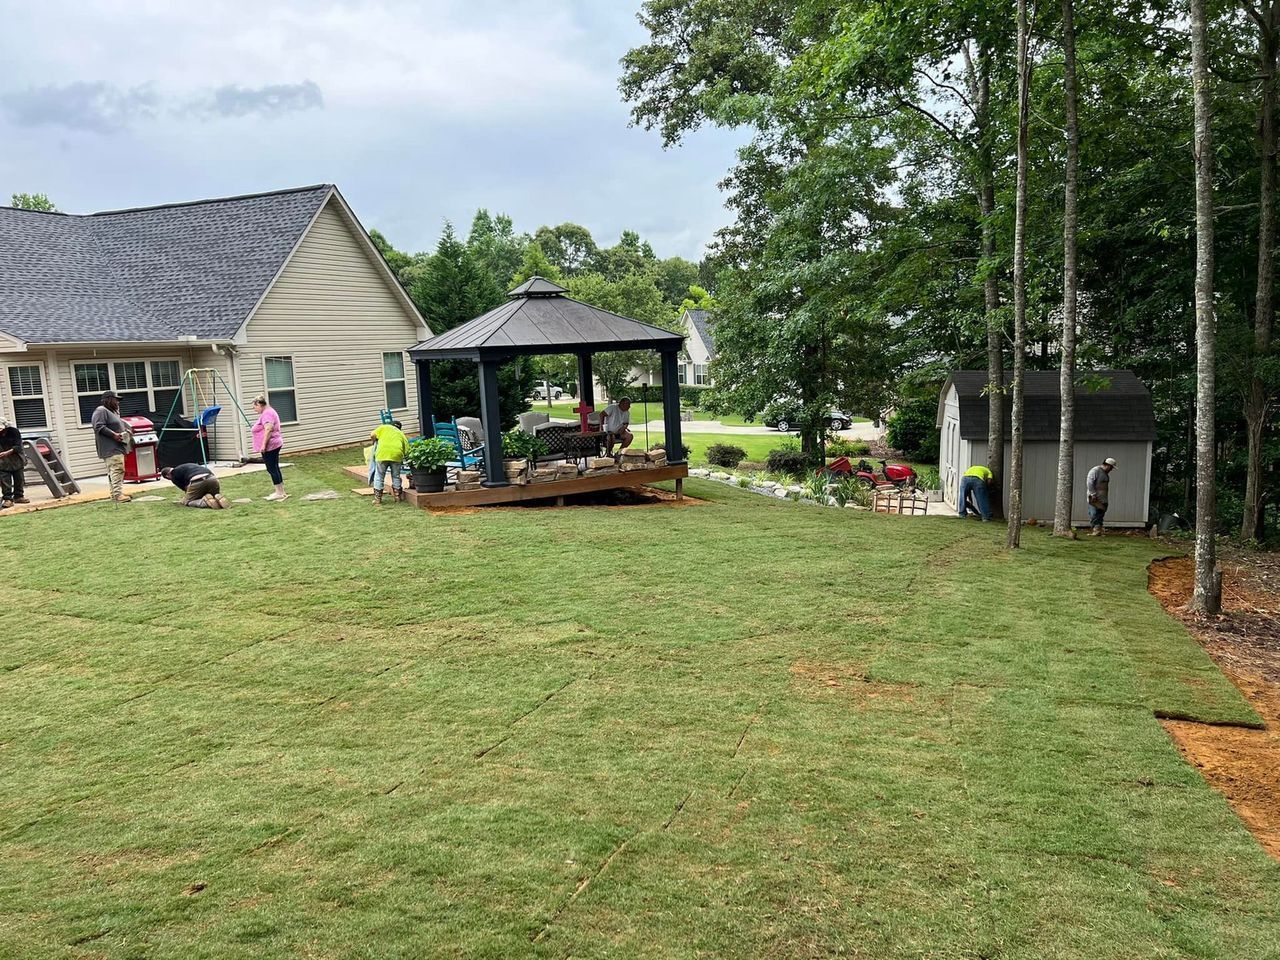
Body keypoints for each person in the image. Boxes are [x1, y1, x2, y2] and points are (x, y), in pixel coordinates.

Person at [90, 390, 131, 503]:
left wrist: (124, 432)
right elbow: (98, 426)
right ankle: (118, 495)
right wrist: (114, 435)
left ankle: (115, 493)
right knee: (117, 469)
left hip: (117, 447)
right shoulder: (101, 410)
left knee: (115, 470)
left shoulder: (112, 412)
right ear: (109, 400)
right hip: (110, 448)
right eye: (116, 400)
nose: (118, 402)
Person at [251, 395, 287, 502]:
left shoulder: (267, 414)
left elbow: (268, 429)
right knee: (274, 467)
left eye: (255, 407)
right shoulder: (268, 412)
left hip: (271, 446)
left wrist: (263, 445)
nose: (254, 409)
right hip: (274, 444)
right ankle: (281, 491)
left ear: (259, 404)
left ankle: (279, 493)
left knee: (271, 468)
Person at [369, 419, 408, 505]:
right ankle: (397, 497)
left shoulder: (384, 427)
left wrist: (374, 441)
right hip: (396, 455)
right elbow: (406, 449)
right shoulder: (401, 433)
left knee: (379, 476)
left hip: (382, 454)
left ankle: (377, 499)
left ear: (390, 425)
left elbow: (372, 435)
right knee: (396, 476)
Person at [161, 463, 231, 509]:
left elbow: (187, 488)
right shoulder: (186, 466)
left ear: (167, 475)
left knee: (187, 502)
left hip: (197, 480)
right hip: (212, 478)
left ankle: (205, 502)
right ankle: (217, 498)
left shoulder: (174, 476)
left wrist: (186, 498)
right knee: (212, 495)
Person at [0, 419, 28, 508]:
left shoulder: (14, 431)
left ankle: (19, 496)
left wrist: (7, 452)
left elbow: (18, 446)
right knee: (5, 480)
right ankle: (8, 499)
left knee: (19, 478)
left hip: (16, 457)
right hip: (2, 461)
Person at [1086, 457, 1117, 536]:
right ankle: (1095, 529)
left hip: (1103, 498)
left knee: (1100, 514)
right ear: (1108, 465)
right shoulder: (1095, 471)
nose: (1111, 470)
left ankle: (1098, 530)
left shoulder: (1106, 474)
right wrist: (1093, 494)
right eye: (1111, 468)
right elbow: (1090, 482)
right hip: (1094, 498)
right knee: (1094, 513)